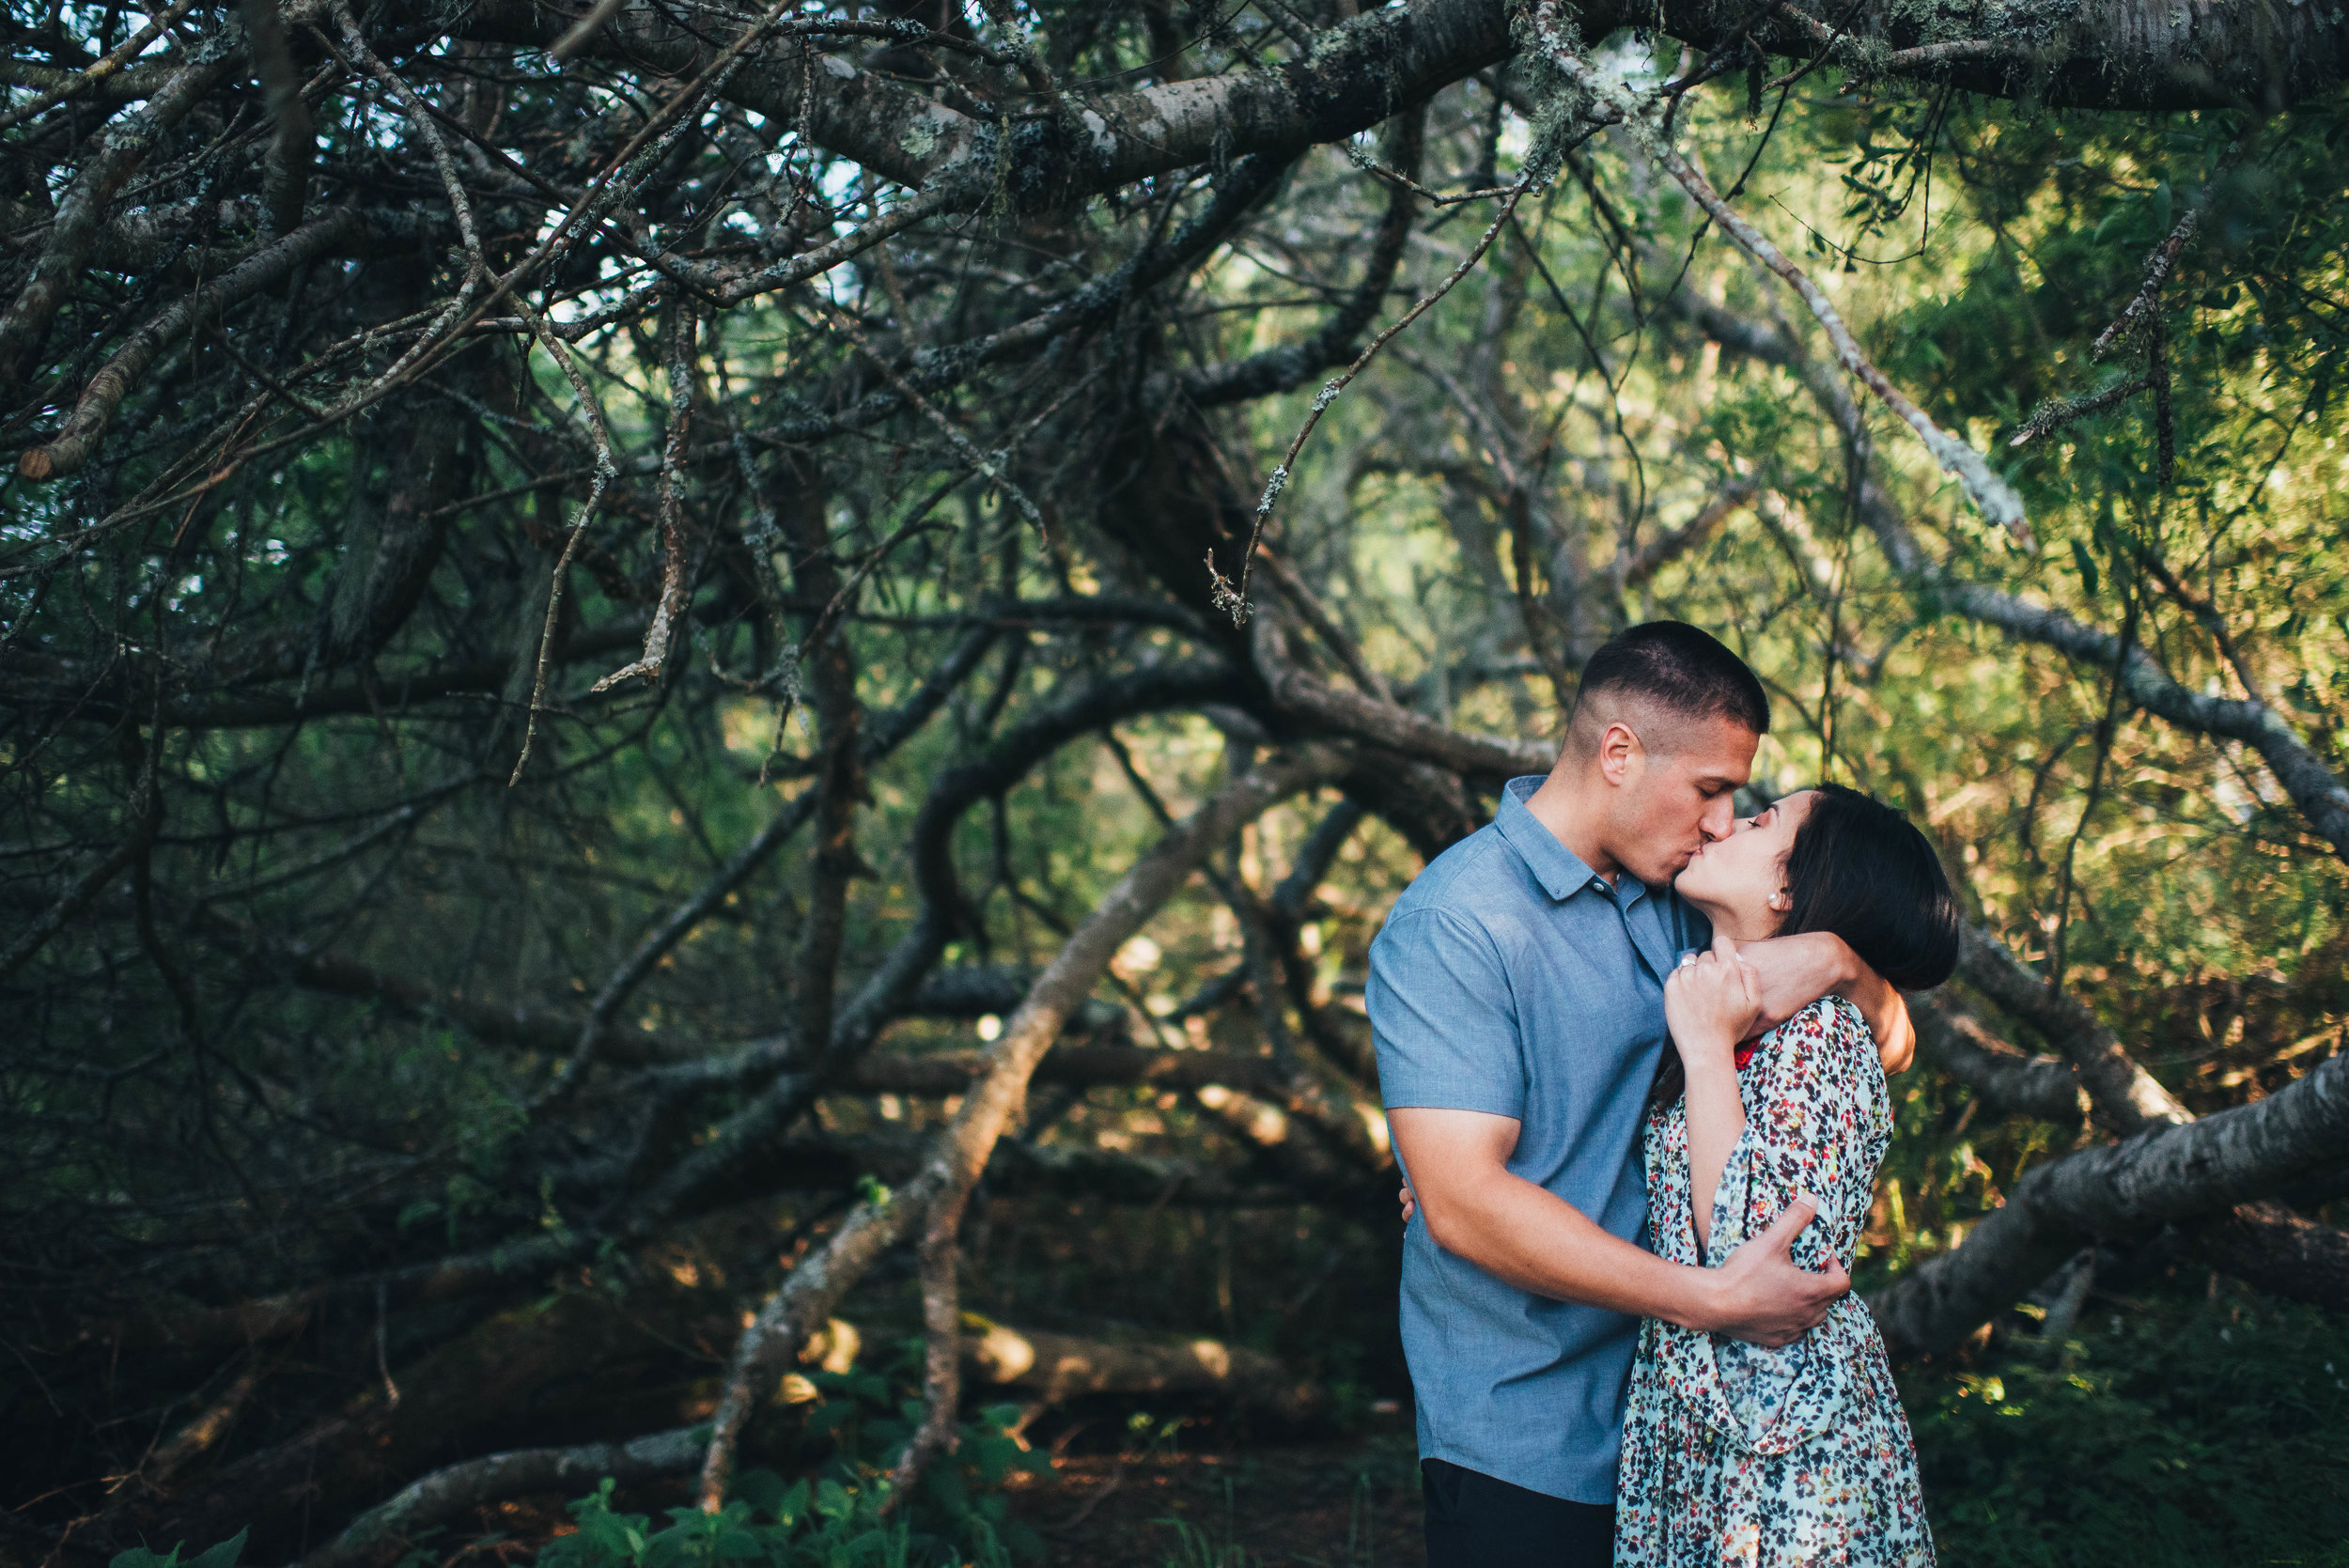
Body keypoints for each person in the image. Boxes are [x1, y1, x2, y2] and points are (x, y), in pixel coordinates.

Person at [1369, 622, 1913, 1568]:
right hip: (1527, 1430)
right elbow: (1462, 1207)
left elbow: (1891, 1040)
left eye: (1735, 800)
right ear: (1618, 753)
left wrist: (1838, 960)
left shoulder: (1678, 897)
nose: (1718, 821)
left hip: (1684, 1431)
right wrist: (1712, 1299)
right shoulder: (1454, 922)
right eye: (1708, 789)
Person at [1613, 783, 1956, 1566]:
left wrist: (1704, 1048)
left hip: (1784, 1454)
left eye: (1762, 820)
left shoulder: (1824, 1035)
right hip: (1703, 1428)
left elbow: (1753, 1252)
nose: (1728, 820)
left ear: (1786, 887)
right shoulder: (1726, 996)